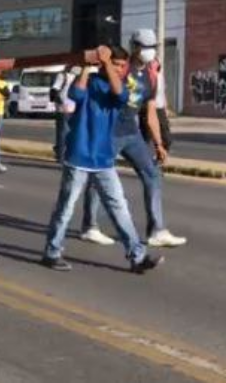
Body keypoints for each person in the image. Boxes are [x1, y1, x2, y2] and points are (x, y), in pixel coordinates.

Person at [41, 46, 164, 274]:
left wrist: (107, 62)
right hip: (79, 155)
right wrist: (87, 68)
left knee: (119, 208)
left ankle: (137, 256)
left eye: (121, 65)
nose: (118, 69)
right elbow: (75, 95)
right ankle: (52, 252)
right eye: (115, 64)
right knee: (66, 208)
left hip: (104, 159)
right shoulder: (90, 80)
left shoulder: (120, 86)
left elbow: (120, 95)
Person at [80, 30, 187, 249]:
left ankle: (157, 230)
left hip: (132, 133)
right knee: (99, 177)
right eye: (144, 46)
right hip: (109, 132)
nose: (149, 51)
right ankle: (90, 226)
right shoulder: (121, 68)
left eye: (152, 47)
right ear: (134, 46)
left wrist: (158, 143)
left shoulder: (150, 76)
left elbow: (150, 113)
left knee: (153, 174)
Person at [51, 66, 78, 163]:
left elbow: (54, 90)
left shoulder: (69, 75)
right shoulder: (67, 76)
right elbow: (55, 90)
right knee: (67, 132)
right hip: (69, 108)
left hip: (69, 107)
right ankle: (63, 155)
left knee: (66, 132)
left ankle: (62, 154)